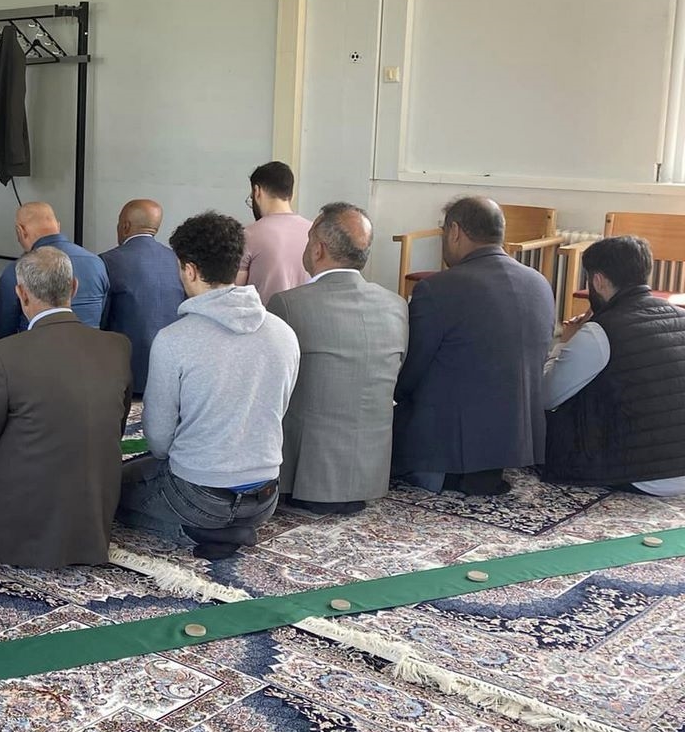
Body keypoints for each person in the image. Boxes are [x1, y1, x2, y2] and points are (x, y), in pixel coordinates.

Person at [118, 211, 300, 559]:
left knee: (111, 492)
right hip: (266, 497)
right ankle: (229, 526)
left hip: (198, 496)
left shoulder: (174, 339)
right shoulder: (284, 333)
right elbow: (277, 411)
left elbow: (159, 440)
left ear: (189, 270)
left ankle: (195, 531)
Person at [0, 246, 132, 568]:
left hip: (18, 533)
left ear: (21, 293)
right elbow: (116, 427)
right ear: (74, 287)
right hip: (91, 519)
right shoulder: (117, 347)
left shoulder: (2, 355)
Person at [393, 196, 556, 496]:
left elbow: (411, 371)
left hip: (451, 448)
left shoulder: (438, 289)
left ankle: (442, 475)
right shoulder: (540, 284)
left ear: (455, 231)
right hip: (513, 444)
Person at [266, 203, 408, 515]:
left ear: (318, 249)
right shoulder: (396, 305)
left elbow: (267, 380)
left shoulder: (288, 304)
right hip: (370, 472)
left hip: (305, 474)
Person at [543, 235, 685, 493]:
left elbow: (547, 396)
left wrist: (564, 343)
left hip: (644, 474)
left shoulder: (600, 332)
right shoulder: (681, 317)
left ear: (598, 281)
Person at [101, 198, 185, 397]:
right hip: (170, 375)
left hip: (125, 374)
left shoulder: (108, 261)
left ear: (125, 226)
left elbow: (101, 319)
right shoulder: (178, 261)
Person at [0, 201, 108, 339]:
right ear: (58, 226)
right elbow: (104, 317)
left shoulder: (17, 271)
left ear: (20, 231)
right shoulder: (96, 263)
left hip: (36, 349)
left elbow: (4, 333)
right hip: (90, 349)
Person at [237, 160, 312, 304]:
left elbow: (236, 292)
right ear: (292, 194)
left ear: (257, 191)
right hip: (306, 316)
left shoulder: (248, 235)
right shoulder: (314, 232)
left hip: (265, 317)